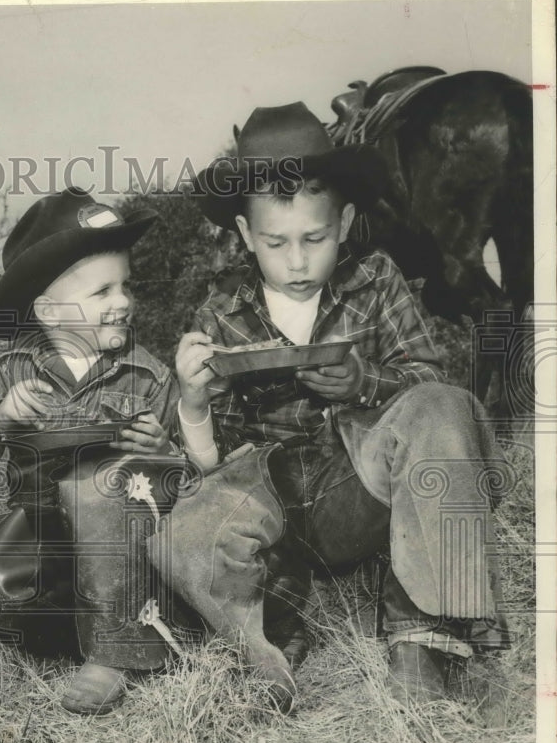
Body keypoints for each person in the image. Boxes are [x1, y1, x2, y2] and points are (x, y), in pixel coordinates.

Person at [158, 102, 512, 708]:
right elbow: (210, 467)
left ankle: (425, 631)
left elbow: (430, 382)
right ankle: (262, 650)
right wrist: (192, 401)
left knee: (444, 406)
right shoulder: (220, 314)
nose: (297, 262)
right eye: (276, 243)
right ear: (245, 235)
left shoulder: (376, 280)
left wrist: (363, 383)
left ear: (344, 223)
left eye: (314, 239)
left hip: (358, 488)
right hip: (265, 502)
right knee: (180, 533)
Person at [0, 188, 186, 715]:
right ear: (49, 311)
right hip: (39, 535)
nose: (123, 303)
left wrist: (165, 450)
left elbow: (186, 483)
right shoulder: (9, 370)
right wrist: (1, 419)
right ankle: (70, 625)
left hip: (122, 539)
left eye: (126, 286)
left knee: (102, 498)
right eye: (102, 292)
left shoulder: (148, 375)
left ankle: (114, 652)